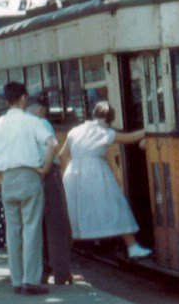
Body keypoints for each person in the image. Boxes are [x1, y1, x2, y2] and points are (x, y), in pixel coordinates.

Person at [0, 82, 57, 295]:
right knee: (31, 228)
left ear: (6, 100)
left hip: (8, 180)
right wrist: (44, 168)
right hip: (29, 176)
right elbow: (52, 144)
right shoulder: (32, 122)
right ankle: (31, 281)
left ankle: (16, 279)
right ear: (24, 98)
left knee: (12, 231)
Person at [60, 101, 152, 259]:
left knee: (76, 210)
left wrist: (74, 169)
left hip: (73, 171)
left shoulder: (74, 131)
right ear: (110, 119)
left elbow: (62, 155)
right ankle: (132, 247)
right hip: (95, 172)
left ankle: (67, 250)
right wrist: (151, 127)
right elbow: (132, 137)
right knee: (114, 206)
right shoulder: (104, 132)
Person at [28, 95, 74, 285]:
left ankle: (41, 272)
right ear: (40, 109)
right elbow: (52, 148)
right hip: (47, 174)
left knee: (35, 226)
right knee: (57, 226)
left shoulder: (19, 125)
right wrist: (46, 169)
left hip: (29, 175)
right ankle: (62, 273)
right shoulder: (42, 123)